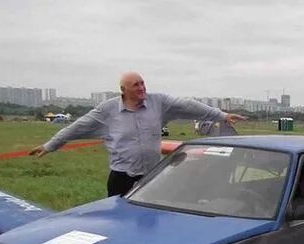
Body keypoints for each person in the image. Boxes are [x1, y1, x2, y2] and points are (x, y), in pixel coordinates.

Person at [30, 71, 247, 196]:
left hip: (152, 177)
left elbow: (189, 105)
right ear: (124, 90)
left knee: (151, 223)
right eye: (136, 85)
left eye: (143, 83)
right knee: (120, 225)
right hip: (121, 178)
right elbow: (77, 127)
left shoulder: (158, 102)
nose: (142, 88)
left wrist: (222, 115)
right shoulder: (107, 110)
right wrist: (50, 146)